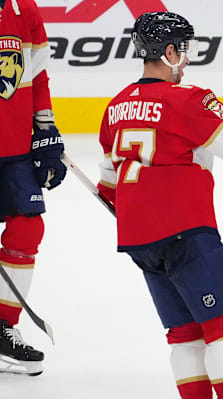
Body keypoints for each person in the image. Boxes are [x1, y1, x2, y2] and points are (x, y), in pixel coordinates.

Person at [96, 11, 223, 399]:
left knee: (185, 337)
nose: (186, 59)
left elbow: (108, 186)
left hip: (140, 242)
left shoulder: (115, 108)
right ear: (168, 52)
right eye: (183, 51)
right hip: (186, 233)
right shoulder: (188, 99)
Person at [0, 0, 66, 376]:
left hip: (13, 150)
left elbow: (37, 76)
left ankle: (2, 327)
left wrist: (45, 130)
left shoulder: (24, 9)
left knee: (28, 227)